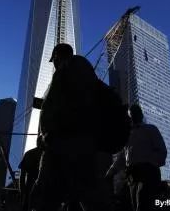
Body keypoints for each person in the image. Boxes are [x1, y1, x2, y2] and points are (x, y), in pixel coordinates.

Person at [30, 43, 110, 211]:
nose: (53, 63)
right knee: (87, 195)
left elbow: (57, 107)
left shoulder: (67, 71)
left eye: (54, 60)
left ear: (58, 56)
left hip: (61, 143)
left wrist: (48, 135)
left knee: (45, 194)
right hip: (82, 144)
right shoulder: (87, 75)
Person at [106, 104, 167, 211]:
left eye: (136, 112)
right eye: (131, 113)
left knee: (142, 203)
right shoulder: (128, 135)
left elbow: (162, 151)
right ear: (129, 116)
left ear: (141, 114)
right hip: (132, 176)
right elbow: (121, 158)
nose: (133, 115)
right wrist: (111, 172)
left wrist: (148, 164)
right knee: (134, 205)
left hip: (148, 173)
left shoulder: (151, 129)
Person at [19, 136, 43, 211]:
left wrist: (22, 190)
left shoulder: (29, 154)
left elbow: (22, 175)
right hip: (43, 189)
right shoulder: (48, 155)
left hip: (29, 189)